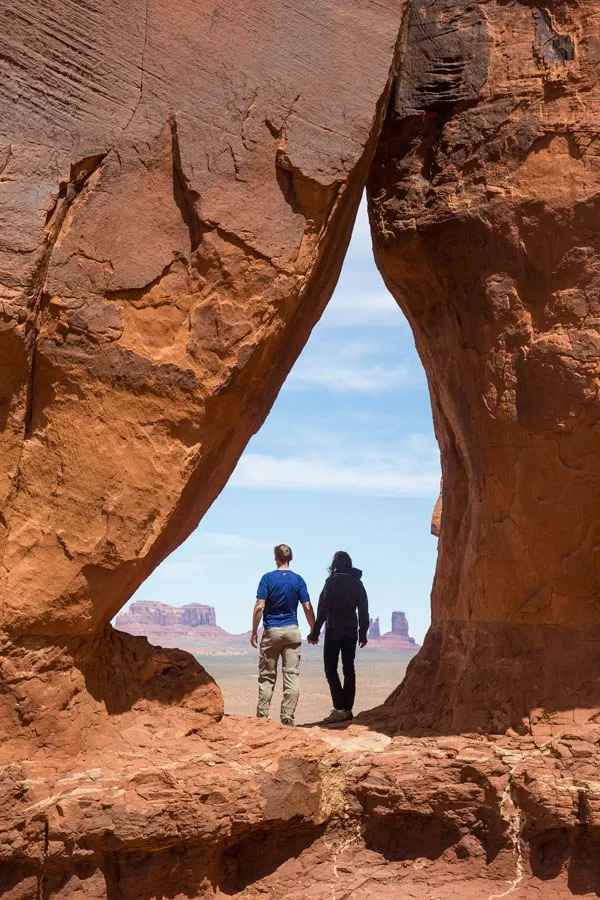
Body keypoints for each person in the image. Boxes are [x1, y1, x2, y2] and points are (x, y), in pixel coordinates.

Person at [251, 544, 315, 725]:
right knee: (291, 675)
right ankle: (287, 717)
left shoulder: (267, 578)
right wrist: (313, 630)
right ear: (289, 558)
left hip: (272, 632)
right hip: (292, 631)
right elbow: (307, 607)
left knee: (267, 675)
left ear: (276, 558)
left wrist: (254, 630)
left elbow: (260, 606)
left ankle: (263, 717)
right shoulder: (298, 580)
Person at [307, 551, 369, 724]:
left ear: (334, 565)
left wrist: (315, 633)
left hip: (334, 630)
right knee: (349, 669)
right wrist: (363, 633)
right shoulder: (357, 583)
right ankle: (347, 709)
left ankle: (340, 709)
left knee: (330, 669)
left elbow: (323, 609)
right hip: (351, 631)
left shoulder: (331, 582)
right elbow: (364, 610)